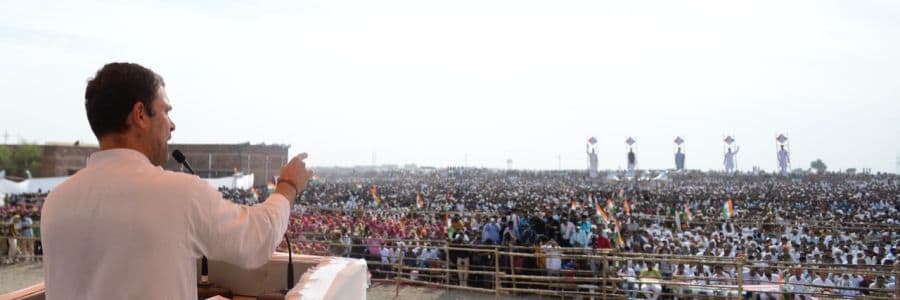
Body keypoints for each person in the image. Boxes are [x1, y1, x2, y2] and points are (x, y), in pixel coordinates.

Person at [41, 62, 314, 299]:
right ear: (139, 115)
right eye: (165, 111)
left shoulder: (56, 201)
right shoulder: (179, 193)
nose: (172, 125)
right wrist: (288, 186)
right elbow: (256, 240)